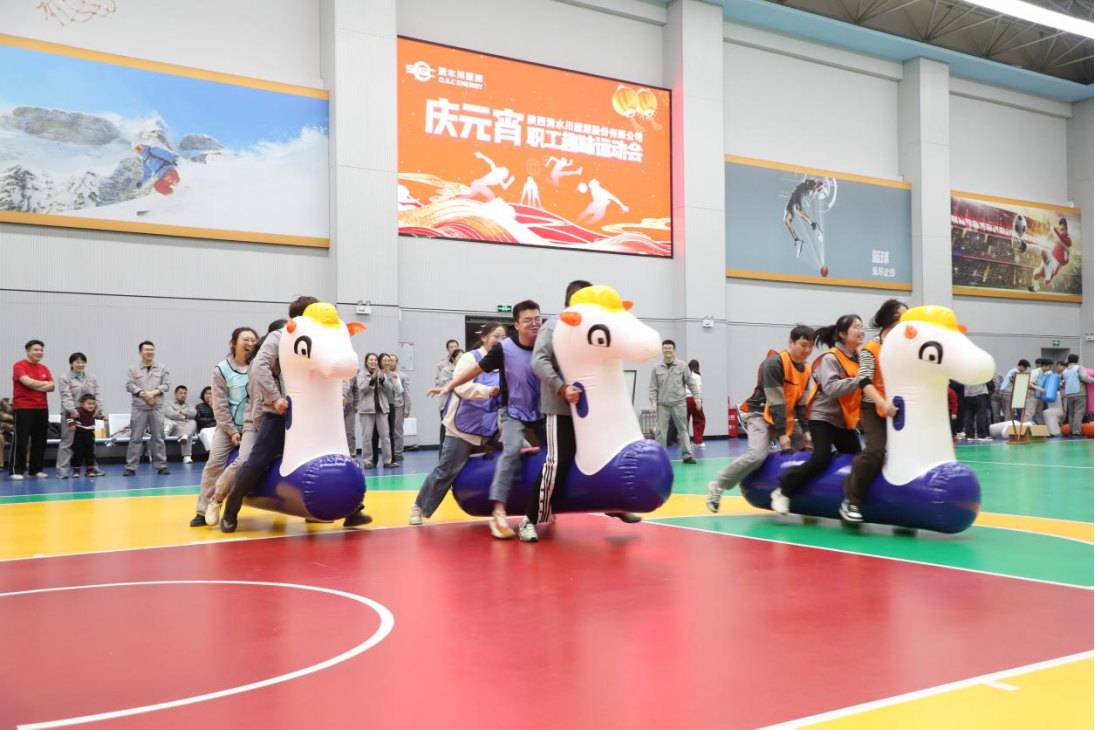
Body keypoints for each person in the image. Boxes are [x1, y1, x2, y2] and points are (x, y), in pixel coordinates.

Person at [221, 298, 371, 532]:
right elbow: (259, 366)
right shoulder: (280, 336)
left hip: (315, 411)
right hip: (281, 412)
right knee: (258, 460)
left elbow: (340, 368)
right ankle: (231, 508)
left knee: (338, 453)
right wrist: (275, 398)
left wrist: (341, 393)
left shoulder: (323, 337)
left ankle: (354, 509)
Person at [517, 280, 641, 544]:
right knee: (557, 460)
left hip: (590, 409)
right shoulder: (553, 326)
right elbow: (538, 361)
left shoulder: (590, 326)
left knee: (602, 456)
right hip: (560, 408)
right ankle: (529, 519)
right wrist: (562, 388)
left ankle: (612, 503)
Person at [433, 301, 546, 539]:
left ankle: (561, 503)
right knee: (512, 450)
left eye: (537, 319)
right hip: (512, 411)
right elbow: (476, 370)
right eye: (528, 320)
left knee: (559, 452)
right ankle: (499, 511)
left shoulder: (547, 344)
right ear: (517, 325)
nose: (534, 323)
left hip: (541, 412)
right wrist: (450, 386)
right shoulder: (505, 349)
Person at [706, 327, 815, 513]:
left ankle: (795, 497)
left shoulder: (806, 368)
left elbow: (801, 404)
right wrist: (782, 434)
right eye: (803, 345)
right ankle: (718, 485)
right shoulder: (774, 364)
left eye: (811, 346)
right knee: (756, 455)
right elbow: (775, 402)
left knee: (810, 452)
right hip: (759, 414)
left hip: (784, 416)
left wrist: (806, 431)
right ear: (791, 342)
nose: (807, 350)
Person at [412, 323, 506, 526]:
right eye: (496, 336)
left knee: (522, 450)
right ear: (484, 337)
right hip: (462, 427)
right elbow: (462, 387)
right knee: (446, 470)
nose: (500, 340)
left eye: (503, 337)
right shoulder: (470, 358)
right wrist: (488, 391)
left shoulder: (505, 363)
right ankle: (419, 506)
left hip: (490, 426)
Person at [773, 315, 865, 515]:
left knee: (858, 459)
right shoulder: (830, 358)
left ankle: (849, 502)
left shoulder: (860, 358)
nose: (862, 331)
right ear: (843, 334)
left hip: (844, 420)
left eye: (862, 326)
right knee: (821, 459)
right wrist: (860, 380)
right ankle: (783, 490)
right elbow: (831, 388)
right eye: (856, 327)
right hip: (822, 417)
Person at [840, 299, 906, 522]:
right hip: (874, 406)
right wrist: (883, 404)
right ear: (890, 319)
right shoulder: (871, 348)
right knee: (875, 451)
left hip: (900, 406)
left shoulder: (907, 347)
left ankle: (902, 507)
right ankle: (851, 500)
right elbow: (864, 381)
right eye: (902, 317)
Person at [193, 326, 257, 528]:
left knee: (245, 460)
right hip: (227, 426)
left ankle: (220, 498)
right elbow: (219, 405)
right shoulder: (221, 369)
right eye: (245, 339)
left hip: (253, 426)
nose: (250, 343)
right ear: (233, 343)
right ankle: (203, 511)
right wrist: (231, 431)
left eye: (253, 340)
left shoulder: (260, 366)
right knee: (214, 465)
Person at [650, 340, 701, 465]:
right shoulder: (656, 367)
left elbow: (691, 383)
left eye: (670, 348)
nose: (667, 350)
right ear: (662, 350)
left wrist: (697, 397)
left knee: (682, 429)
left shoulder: (682, 366)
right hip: (662, 404)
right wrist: (653, 401)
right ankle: (660, 457)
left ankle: (687, 455)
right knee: (661, 432)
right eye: (665, 348)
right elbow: (653, 387)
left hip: (679, 403)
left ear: (674, 350)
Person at [124, 341, 171, 476]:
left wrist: (152, 393)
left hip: (156, 407)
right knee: (135, 438)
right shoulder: (133, 369)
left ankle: (161, 465)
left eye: (152, 349)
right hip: (139, 407)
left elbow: (166, 385)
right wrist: (144, 395)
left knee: (158, 437)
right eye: (147, 350)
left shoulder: (162, 368)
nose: (150, 352)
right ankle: (131, 467)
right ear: (140, 352)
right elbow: (129, 385)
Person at [10, 339, 55, 480]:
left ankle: (36, 470)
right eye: (36, 350)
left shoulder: (44, 368)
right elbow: (26, 382)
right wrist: (43, 384)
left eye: (41, 350)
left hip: (42, 407)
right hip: (23, 408)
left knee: (40, 440)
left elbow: (52, 387)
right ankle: (16, 470)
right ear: (28, 351)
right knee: (21, 440)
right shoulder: (19, 365)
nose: (39, 352)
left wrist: (34, 384)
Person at [56, 352, 102, 479]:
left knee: (89, 442)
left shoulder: (92, 377)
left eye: (82, 362)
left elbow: (97, 394)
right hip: (71, 414)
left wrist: (98, 409)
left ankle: (92, 467)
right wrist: (72, 411)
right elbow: (65, 396)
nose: (80, 364)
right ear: (71, 363)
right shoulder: (65, 378)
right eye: (77, 362)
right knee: (67, 442)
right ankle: (62, 470)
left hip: (88, 414)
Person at [358, 352, 401, 469]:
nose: (373, 362)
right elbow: (362, 388)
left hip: (382, 409)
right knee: (367, 436)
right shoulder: (362, 374)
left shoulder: (381, 373)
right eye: (371, 360)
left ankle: (387, 461)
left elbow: (389, 390)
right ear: (366, 362)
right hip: (367, 410)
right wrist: (372, 378)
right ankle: (368, 461)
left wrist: (382, 379)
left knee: (385, 435)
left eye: (375, 360)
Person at [1025, 217, 1073, 292]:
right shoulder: (1062, 238)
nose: (1061, 232)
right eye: (1061, 230)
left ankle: (1048, 278)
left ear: (1067, 229)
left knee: (1038, 273)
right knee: (1036, 271)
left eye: (1063, 229)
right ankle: (1036, 287)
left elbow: (1059, 237)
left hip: (1055, 263)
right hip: (1051, 255)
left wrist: (1051, 226)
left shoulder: (1068, 240)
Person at [782, 178, 825, 258]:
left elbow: (820, 184)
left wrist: (821, 190)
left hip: (798, 193)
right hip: (792, 196)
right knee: (786, 219)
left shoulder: (809, 188)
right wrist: (820, 189)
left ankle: (814, 226)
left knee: (797, 210)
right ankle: (797, 241)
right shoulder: (810, 183)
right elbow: (818, 184)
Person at [66, 394, 101, 477]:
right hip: (79, 435)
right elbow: (68, 415)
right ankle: (76, 471)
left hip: (90, 435)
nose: (91, 406)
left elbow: (98, 416)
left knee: (90, 453)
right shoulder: (78, 411)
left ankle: (90, 470)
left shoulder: (94, 411)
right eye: (89, 403)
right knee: (77, 453)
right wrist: (71, 424)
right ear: (82, 404)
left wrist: (103, 417)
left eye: (93, 404)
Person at [1062, 354, 1094, 438]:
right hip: (1079, 393)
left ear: (1069, 360)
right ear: (1077, 360)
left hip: (1069, 394)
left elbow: (1064, 382)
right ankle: (1076, 432)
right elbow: (1084, 377)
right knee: (1078, 413)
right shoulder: (1079, 368)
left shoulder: (1065, 371)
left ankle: (1071, 431)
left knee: (1071, 414)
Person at [164, 385, 199, 464]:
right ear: (175, 394)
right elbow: (170, 414)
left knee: (193, 422)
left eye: (185, 393)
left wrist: (180, 411)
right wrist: (186, 416)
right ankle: (187, 456)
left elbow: (193, 413)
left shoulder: (190, 405)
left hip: (188, 425)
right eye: (181, 393)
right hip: (175, 426)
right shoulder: (168, 403)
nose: (183, 395)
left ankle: (184, 436)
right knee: (188, 432)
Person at [436, 339, 460, 445]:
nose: (454, 348)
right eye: (451, 347)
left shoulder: (464, 363)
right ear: (447, 349)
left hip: (459, 401)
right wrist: (458, 383)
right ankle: (442, 454)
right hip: (446, 401)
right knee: (445, 430)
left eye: (456, 346)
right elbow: (440, 383)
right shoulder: (441, 365)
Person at [388, 354, 411, 462]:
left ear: (397, 362)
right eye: (389, 360)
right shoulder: (384, 375)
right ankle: (388, 453)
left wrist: (407, 408)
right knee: (386, 432)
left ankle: (398, 453)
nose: (390, 362)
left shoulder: (403, 376)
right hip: (385, 407)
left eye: (393, 360)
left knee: (397, 431)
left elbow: (407, 393)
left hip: (398, 406)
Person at [686, 359, 706, 447]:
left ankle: (685, 442)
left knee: (684, 421)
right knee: (699, 419)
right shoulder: (697, 376)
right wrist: (699, 401)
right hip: (694, 399)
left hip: (683, 399)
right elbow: (697, 389)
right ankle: (698, 441)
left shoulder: (685, 375)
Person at [343, 366, 359, 456]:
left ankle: (352, 456)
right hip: (336, 408)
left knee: (350, 433)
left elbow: (356, 390)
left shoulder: (352, 375)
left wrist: (356, 404)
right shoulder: (334, 373)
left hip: (350, 408)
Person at [0, 397, 13, 471]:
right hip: (4, 433)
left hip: (15, 432)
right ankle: (1, 464)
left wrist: (6, 426)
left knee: (29, 437)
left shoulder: (21, 412)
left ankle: (27, 463)